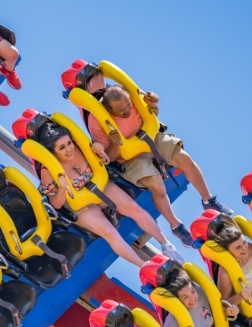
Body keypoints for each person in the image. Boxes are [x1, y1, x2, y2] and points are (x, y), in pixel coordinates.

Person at [88, 85, 231, 248]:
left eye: (128, 105)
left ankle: (208, 200)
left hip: (149, 138)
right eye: (121, 110)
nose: (127, 111)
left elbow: (152, 116)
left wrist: (153, 106)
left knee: (184, 159)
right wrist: (114, 144)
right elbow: (110, 157)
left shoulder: (132, 97)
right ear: (108, 109)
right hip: (130, 157)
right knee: (157, 186)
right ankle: (176, 226)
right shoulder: (96, 120)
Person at [34, 122, 184, 268]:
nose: (69, 149)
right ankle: (144, 266)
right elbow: (56, 204)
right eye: (62, 147)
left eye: (68, 143)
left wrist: (100, 154)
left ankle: (166, 245)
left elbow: (103, 162)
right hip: (80, 205)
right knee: (109, 232)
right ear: (52, 153)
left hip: (99, 187)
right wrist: (61, 188)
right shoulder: (47, 170)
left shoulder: (79, 146)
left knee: (133, 208)